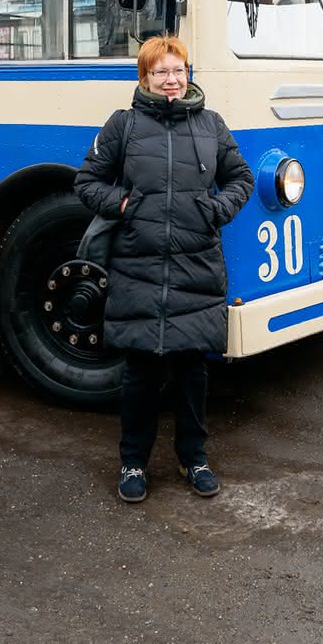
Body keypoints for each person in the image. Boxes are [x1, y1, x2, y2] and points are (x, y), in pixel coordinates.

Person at [74, 34, 254, 505]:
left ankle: (193, 457)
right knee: (141, 372)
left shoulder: (211, 125)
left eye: (178, 71)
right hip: (139, 265)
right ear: (145, 78)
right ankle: (133, 461)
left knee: (193, 369)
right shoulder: (124, 126)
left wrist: (217, 210)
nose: (171, 81)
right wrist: (123, 203)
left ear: (188, 74)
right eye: (161, 73)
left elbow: (242, 178)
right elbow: (87, 181)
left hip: (197, 264)